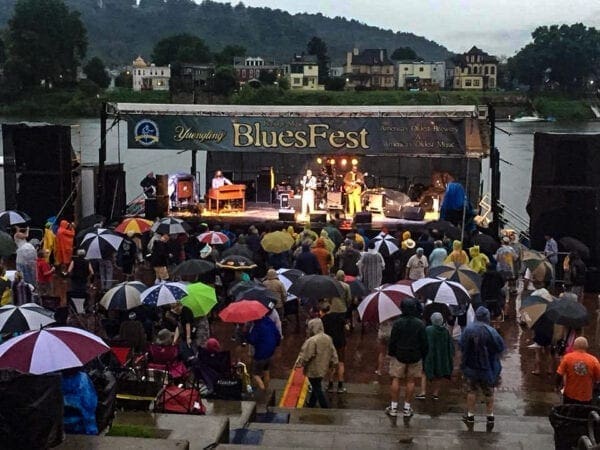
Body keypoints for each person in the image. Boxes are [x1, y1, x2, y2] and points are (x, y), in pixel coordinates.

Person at [460, 306, 505, 431]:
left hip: (470, 367)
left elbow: (461, 345)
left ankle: (470, 415)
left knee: (471, 390)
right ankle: (490, 415)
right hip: (487, 368)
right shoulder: (492, 331)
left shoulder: (468, 330)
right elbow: (501, 347)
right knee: (489, 391)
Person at [386, 298, 428, 418]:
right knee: (411, 381)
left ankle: (393, 407)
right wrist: (423, 354)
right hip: (415, 355)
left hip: (399, 354)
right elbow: (424, 342)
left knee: (396, 379)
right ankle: (407, 408)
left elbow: (392, 340)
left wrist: (392, 353)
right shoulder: (419, 324)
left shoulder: (398, 323)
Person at [295, 318, 339, 408]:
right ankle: (311, 403)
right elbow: (333, 352)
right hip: (324, 367)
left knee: (316, 387)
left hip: (313, 368)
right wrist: (334, 362)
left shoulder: (312, 341)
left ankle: (324, 406)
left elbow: (306, 354)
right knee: (316, 385)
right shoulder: (328, 338)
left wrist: (299, 363)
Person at [419, 312, 454, 400]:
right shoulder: (445, 331)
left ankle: (423, 392)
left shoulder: (428, 330)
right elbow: (450, 345)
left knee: (424, 372)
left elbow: (423, 342)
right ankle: (435, 393)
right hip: (441, 356)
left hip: (429, 355)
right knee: (439, 374)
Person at [557, 336, 600, 405]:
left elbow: (559, 374)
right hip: (586, 397)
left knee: (568, 414)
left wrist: (557, 387)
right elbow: (598, 379)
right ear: (587, 346)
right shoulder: (594, 360)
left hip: (569, 395)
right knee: (583, 415)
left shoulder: (567, 358)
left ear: (574, 346)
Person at [246, 315, 281, 391]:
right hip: (270, 352)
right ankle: (267, 390)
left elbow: (252, 340)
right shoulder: (270, 322)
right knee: (266, 371)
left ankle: (262, 390)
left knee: (255, 374)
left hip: (260, 354)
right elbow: (277, 335)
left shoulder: (257, 327)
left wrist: (246, 334)